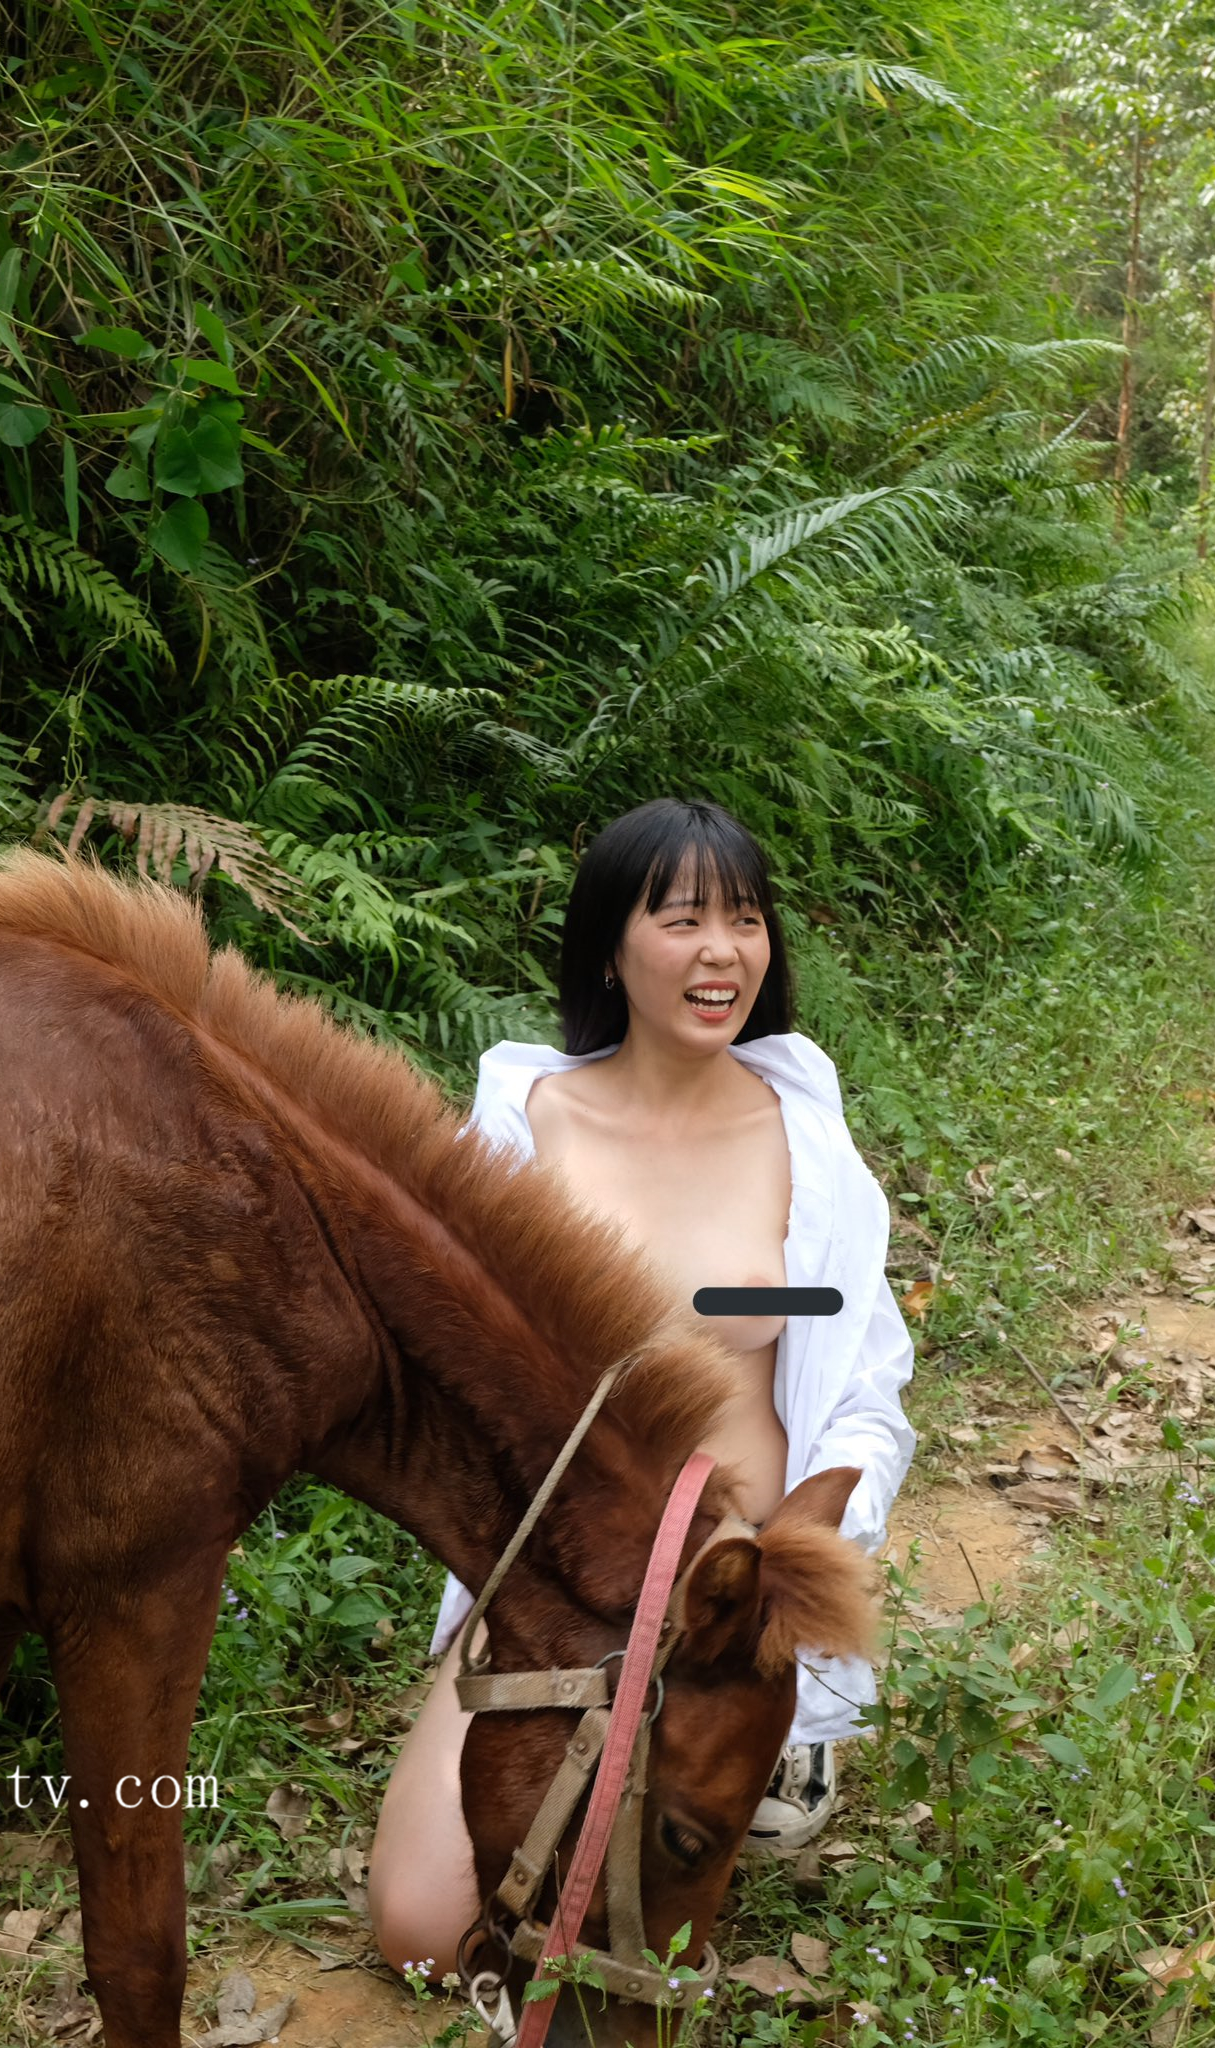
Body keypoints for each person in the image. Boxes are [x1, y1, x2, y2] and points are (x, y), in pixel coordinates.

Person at [366, 795, 918, 1986]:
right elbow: (457, 1381)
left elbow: (864, 1382)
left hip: (728, 1605)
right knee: (421, 1927)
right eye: (681, 919)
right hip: (562, 1586)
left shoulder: (801, 1136)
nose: (722, 950)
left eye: (745, 919)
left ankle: (782, 1732)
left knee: (644, 1877)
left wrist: (799, 1540)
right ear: (609, 949)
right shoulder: (527, 1125)